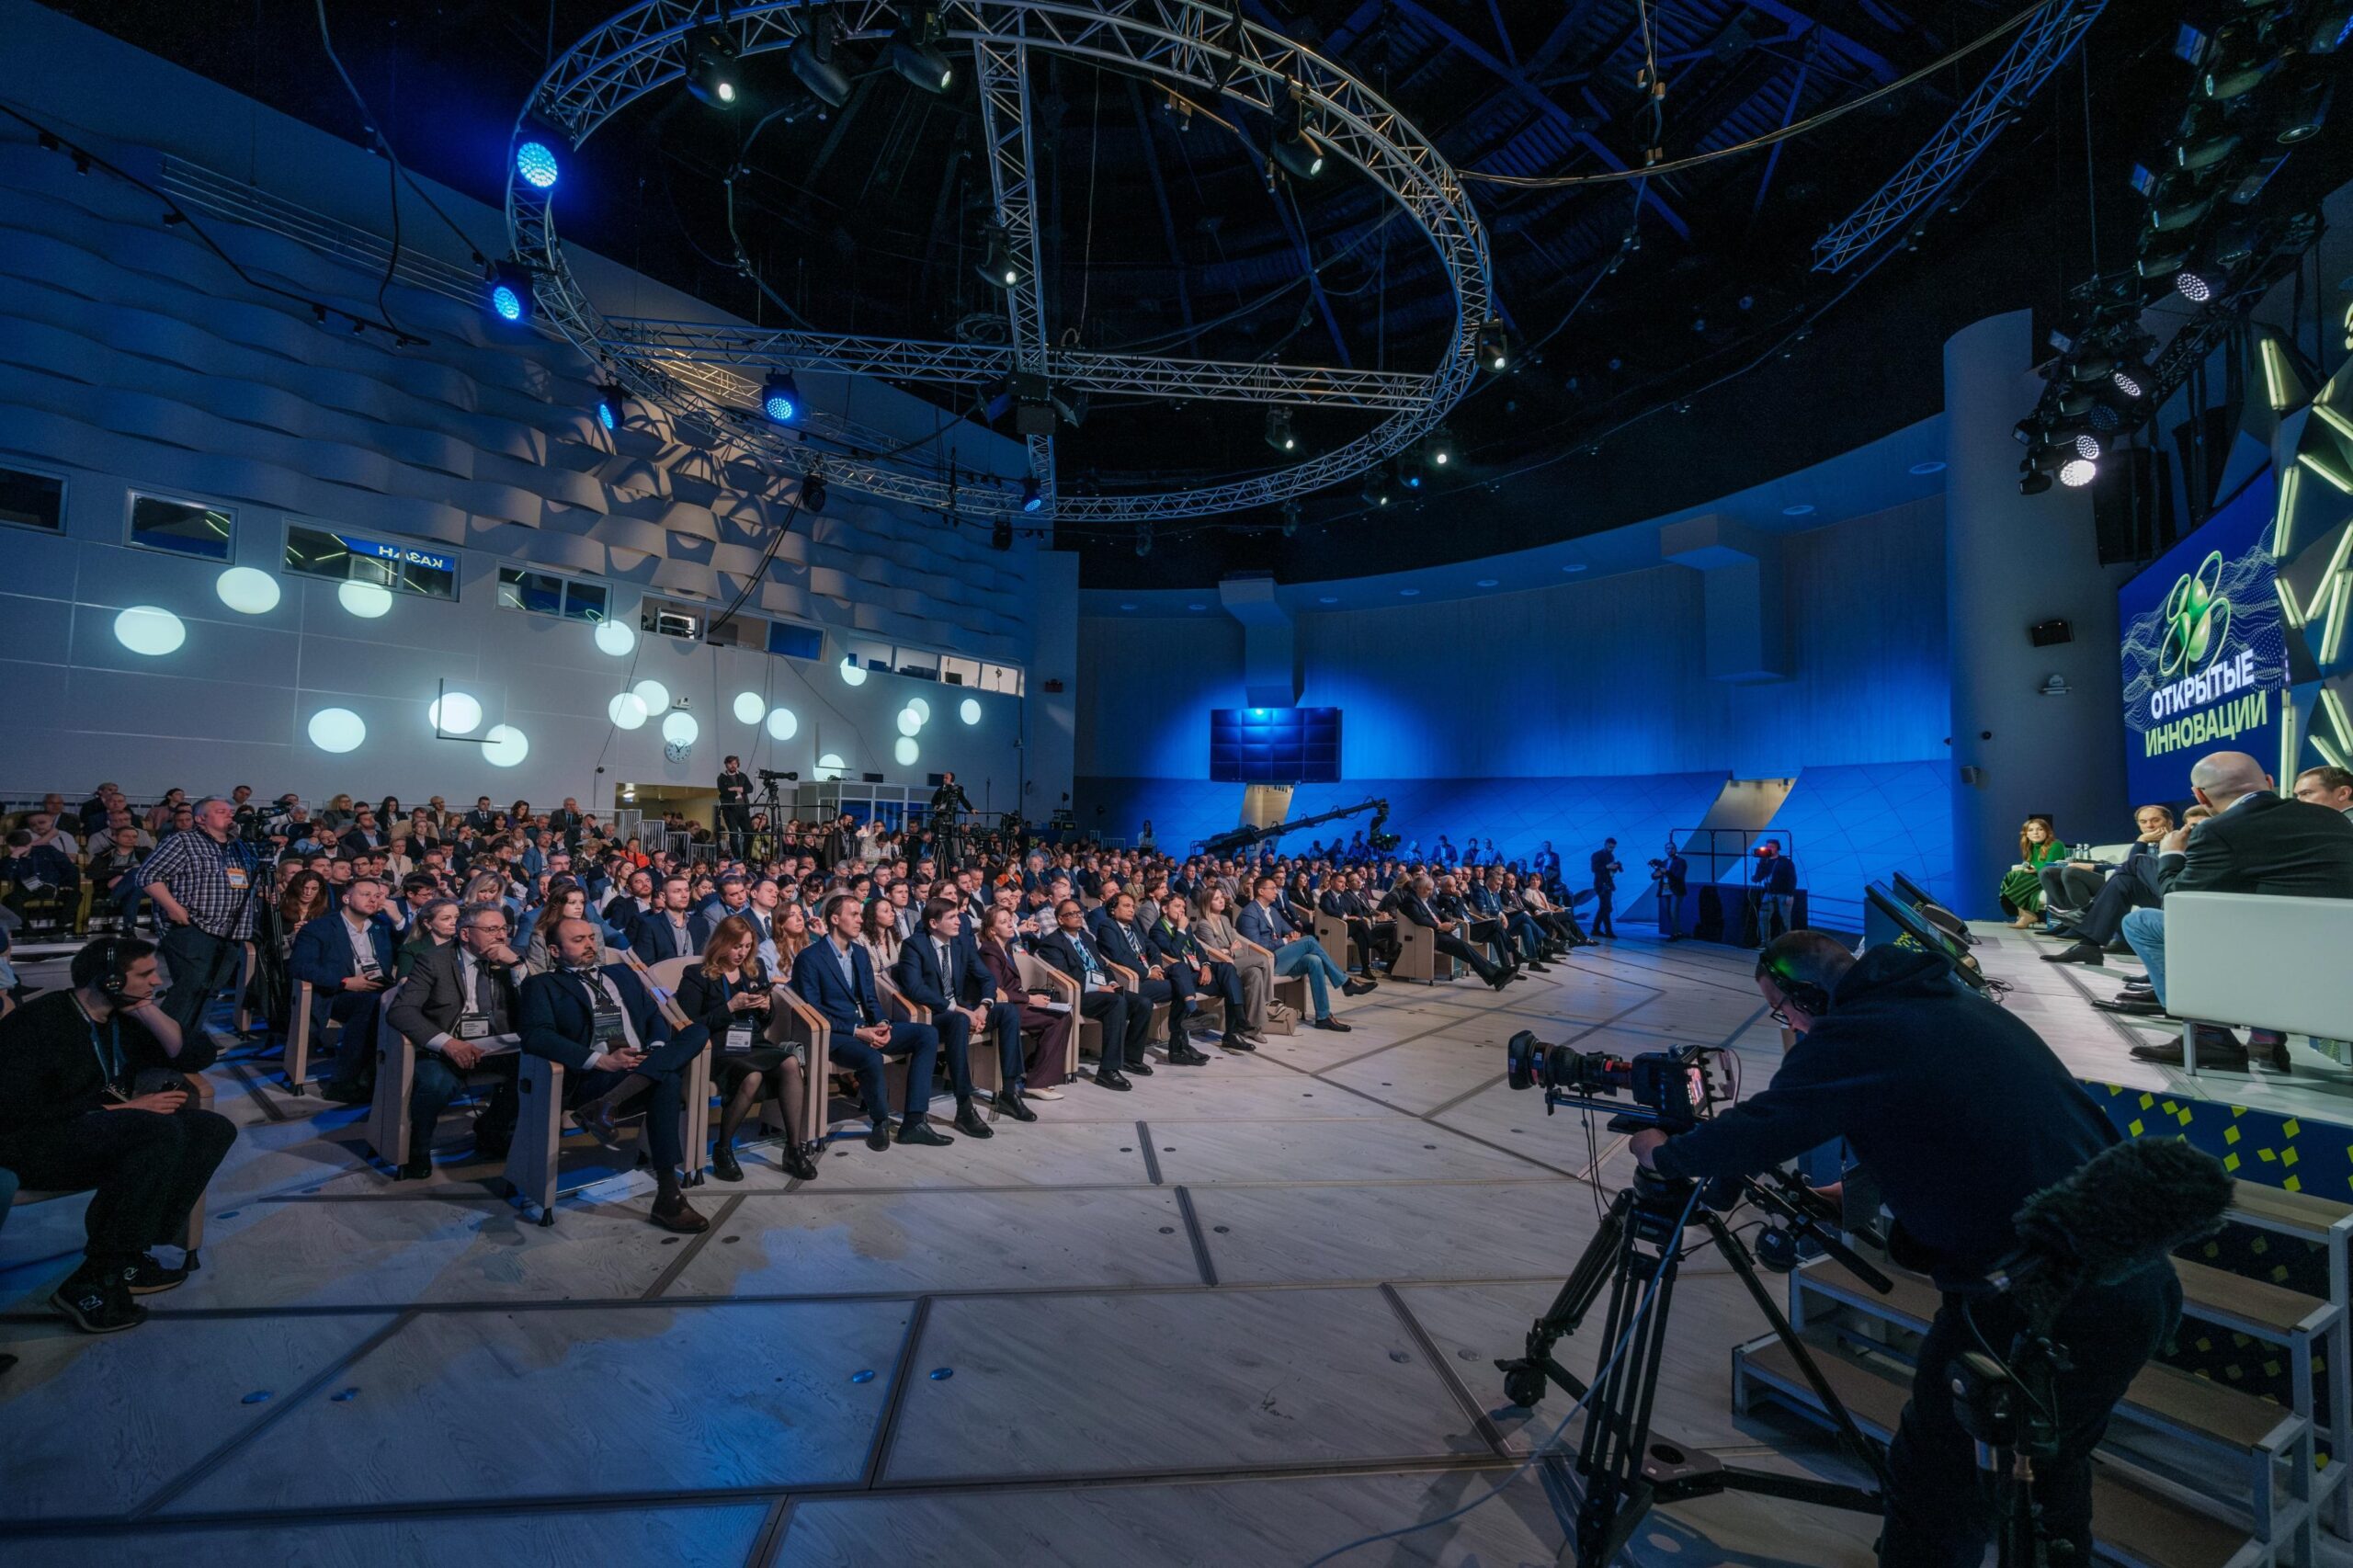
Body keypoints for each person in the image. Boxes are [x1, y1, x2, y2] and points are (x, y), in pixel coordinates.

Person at [1629, 930, 2179, 1568]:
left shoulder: (1858, 1033)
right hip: (2126, 1281)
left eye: (1786, 1011)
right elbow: (1933, 1110)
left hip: (2042, 1303)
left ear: (1812, 995)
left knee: (1936, 1484)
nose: (1792, 1026)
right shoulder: (1945, 1003)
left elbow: (1764, 1128)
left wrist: (1663, 1155)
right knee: (2047, 1480)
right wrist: (1851, 1196)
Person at [0, 938, 238, 1333]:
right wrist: (122, 1109)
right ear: (108, 981)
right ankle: (98, 1277)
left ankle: (124, 1256)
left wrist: (147, 1010)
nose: (157, 980)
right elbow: (15, 1111)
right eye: (145, 975)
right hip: (33, 1142)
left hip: (96, 1135)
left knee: (211, 1129)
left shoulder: (122, 1021)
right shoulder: (39, 1023)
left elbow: (195, 1055)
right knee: (154, 1131)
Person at [2120, 750, 2353, 1070]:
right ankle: (2265, 1037)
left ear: (2200, 795)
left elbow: (2178, 903)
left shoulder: (2217, 830)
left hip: (2268, 953)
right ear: (2269, 782)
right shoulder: (2333, 819)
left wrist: (2171, 855)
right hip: (2338, 952)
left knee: (2141, 922)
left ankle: (2208, 1035)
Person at [517, 916, 711, 1231]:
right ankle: (668, 1196)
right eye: (578, 940)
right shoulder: (542, 985)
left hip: (642, 1061)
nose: (590, 945)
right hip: (594, 1076)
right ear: (554, 951)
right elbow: (536, 1036)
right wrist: (601, 1061)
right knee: (667, 1080)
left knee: (697, 1031)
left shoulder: (621, 973)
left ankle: (607, 1107)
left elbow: (653, 1016)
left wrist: (656, 1049)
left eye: (591, 938)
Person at [792, 892, 950, 1150]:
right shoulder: (810, 958)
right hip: (835, 1033)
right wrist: (857, 1031)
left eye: (860, 914)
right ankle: (880, 1121)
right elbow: (815, 1009)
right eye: (853, 915)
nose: (859, 920)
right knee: (871, 1058)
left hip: (865, 1026)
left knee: (927, 1034)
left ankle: (914, 1121)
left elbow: (870, 997)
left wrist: (882, 1023)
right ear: (834, 919)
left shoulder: (859, 952)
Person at [384, 903, 525, 1176]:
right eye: (491, 929)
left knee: (539, 1071)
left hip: (500, 1046)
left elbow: (540, 1003)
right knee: (436, 1085)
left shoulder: (514, 958)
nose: (500, 936)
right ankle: (417, 1149)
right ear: (465, 934)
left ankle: (492, 1129)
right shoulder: (433, 960)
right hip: (447, 1047)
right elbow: (401, 1010)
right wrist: (448, 1044)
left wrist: (518, 967)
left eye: (503, 929)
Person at [676, 915, 818, 1182]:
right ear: (721, 943)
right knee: (751, 1076)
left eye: (746, 946)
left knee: (790, 1062)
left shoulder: (755, 970)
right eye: (736, 946)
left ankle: (793, 1148)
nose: (741, 953)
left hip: (752, 1041)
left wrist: (766, 1007)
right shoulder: (698, 975)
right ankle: (723, 1149)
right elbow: (690, 1023)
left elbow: (764, 1022)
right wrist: (730, 1007)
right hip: (718, 1046)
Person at [139, 795, 261, 1057]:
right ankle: (160, 1048)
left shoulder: (239, 847)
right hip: (192, 927)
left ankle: (189, 1041)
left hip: (231, 931)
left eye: (230, 811)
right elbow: (147, 876)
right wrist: (173, 908)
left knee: (210, 989)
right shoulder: (182, 841)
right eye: (221, 811)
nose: (229, 815)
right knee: (190, 987)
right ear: (200, 819)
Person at [894, 897, 1031, 1131]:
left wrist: (983, 1007)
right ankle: (964, 1105)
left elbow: (986, 978)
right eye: (952, 918)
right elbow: (914, 988)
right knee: (958, 1019)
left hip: (964, 1009)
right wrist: (959, 1010)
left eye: (958, 916)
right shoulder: (914, 945)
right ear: (934, 923)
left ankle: (1009, 1091)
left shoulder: (960, 944)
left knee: (1007, 1011)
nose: (959, 922)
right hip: (933, 1015)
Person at [290, 876, 399, 1103]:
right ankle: (345, 1081)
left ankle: (396, 1078)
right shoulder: (320, 927)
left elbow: (410, 950)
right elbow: (301, 966)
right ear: (347, 898)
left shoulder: (382, 926)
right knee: (370, 1005)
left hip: (381, 988)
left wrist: (398, 920)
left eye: (377, 895)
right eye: (365, 894)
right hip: (338, 993)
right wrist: (344, 981)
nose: (373, 899)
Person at [1236, 875, 1370, 1031]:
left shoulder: (1272, 911)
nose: (1276, 891)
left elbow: (1289, 930)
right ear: (1261, 891)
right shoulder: (1249, 913)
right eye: (1272, 888)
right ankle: (1345, 982)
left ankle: (1323, 1016)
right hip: (1266, 961)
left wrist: (1293, 935)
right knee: (1310, 941)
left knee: (1314, 960)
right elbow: (1256, 946)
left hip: (1281, 957)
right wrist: (1286, 941)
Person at [1034, 898, 1142, 1089]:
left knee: (1142, 1003)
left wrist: (1111, 981)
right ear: (1060, 919)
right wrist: (1100, 988)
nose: (1077, 917)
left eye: (1079, 913)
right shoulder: (1052, 943)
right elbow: (1066, 976)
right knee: (1117, 1002)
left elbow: (1103, 965)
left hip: (1104, 989)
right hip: (1078, 994)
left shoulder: (1086, 938)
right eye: (1071, 914)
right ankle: (1108, 1070)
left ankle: (1131, 1058)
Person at [973, 904, 1073, 1099]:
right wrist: (1030, 999)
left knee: (1063, 1015)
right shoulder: (989, 952)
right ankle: (1036, 1081)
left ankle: (1034, 1072)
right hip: (1004, 1008)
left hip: (1016, 1003)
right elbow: (997, 990)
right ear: (992, 930)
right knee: (1058, 1020)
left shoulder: (1005, 947)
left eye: (1010, 920)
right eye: (1003, 922)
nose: (1011, 925)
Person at [1385, 872, 1513, 989]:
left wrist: (1450, 920)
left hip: (1437, 933)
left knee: (1465, 949)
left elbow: (1438, 912)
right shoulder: (1410, 901)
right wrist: (1440, 926)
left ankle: (1496, 975)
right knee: (1464, 948)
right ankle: (1496, 975)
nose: (1430, 893)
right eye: (1428, 890)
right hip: (1428, 936)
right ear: (1419, 888)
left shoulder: (1424, 899)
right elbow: (1420, 920)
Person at [1998, 815, 2068, 928]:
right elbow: (2029, 863)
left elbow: (2049, 865)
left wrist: (2033, 869)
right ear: (2026, 834)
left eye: (2040, 829)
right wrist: (2025, 867)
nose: (2035, 833)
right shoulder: (2029, 846)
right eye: (2031, 830)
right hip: (2035, 875)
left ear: (2047, 832)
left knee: (2020, 876)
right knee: (2010, 875)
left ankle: (2027, 915)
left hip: (2050, 876)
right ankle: (2024, 913)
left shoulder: (2056, 845)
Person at [716, 756, 754, 858]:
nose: (733, 765)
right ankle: (737, 857)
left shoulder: (742, 776)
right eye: (730, 763)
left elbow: (750, 788)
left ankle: (746, 856)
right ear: (726, 764)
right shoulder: (722, 777)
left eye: (735, 763)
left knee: (749, 833)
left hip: (743, 808)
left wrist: (734, 788)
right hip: (730, 809)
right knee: (734, 833)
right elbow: (724, 791)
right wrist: (738, 790)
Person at [1655, 839, 1689, 941]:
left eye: (1672, 848)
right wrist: (1655, 874)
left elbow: (1679, 876)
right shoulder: (1664, 862)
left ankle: (1674, 934)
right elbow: (1656, 875)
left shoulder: (1681, 861)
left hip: (1676, 890)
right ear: (1665, 850)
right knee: (1668, 912)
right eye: (1668, 848)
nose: (1670, 850)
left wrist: (1667, 872)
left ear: (1675, 849)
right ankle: (1678, 931)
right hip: (1665, 889)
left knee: (1673, 911)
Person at [1588, 838, 1622, 938]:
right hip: (1600, 884)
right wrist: (1607, 866)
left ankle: (1596, 929)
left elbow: (1609, 871)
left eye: (1613, 847)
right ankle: (1607, 930)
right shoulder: (1597, 855)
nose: (1612, 849)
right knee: (1607, 907)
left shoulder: (1611, 856)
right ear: (1605, 844)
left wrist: (1614, 869)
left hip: (1608, 883)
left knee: (1604, 907)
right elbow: (1594, 869)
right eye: (1610, 847)